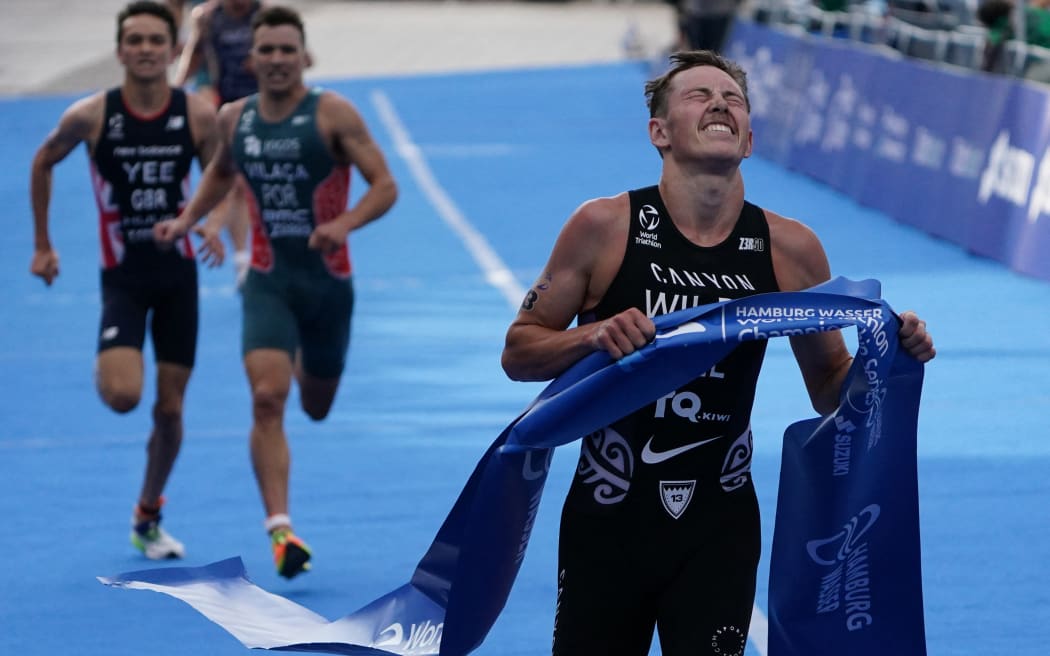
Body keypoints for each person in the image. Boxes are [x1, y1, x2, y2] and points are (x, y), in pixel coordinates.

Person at [500, 50, 936, 656]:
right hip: (608, 519)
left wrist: (888, 362)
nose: (720, 103)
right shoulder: (603, 227)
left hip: (719, 522)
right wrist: (593, 336)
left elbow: (831, 383)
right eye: (698, 95)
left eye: (733, 99)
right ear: (660, 132)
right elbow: (519, 350)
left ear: (750, 139)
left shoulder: (790, 249)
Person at [154, 4, 398, 579]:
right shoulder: (235, 118)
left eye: (288, 49)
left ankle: (304, 365)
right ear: (252, 58)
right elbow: (220, 172)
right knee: (267, 398)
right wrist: (187, 221)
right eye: (267, 50)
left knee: (315, 405)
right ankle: (281, 531)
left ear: (303, 55)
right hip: (267, 281)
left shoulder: (333, 113)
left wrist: (343, 225)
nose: (278, 59)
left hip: (328, 284)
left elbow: (385, 185)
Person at [29, 1, 220, 560]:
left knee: (169, 410)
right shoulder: (91, 116)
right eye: (133, 40)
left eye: (155, 40)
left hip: (178, 278)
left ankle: (148, 513)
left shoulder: (197, 115)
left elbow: (221, 174)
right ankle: (113, 356)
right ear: (119, 50)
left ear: (172, 47)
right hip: (124, 280)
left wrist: (207, 224)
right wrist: (43, 244)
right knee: (122, 396)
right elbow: (43, 160)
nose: (144, 49)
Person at [173, 0, 265, 287]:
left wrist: (262, 62)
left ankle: (269, 245)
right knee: (235, 181)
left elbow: (301, 58)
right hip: (225, 109)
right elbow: (196, 54)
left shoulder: (264, 14)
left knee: (259, 181)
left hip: (263, 107)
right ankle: (242, 259)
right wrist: (174, 90)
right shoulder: (208, 18)